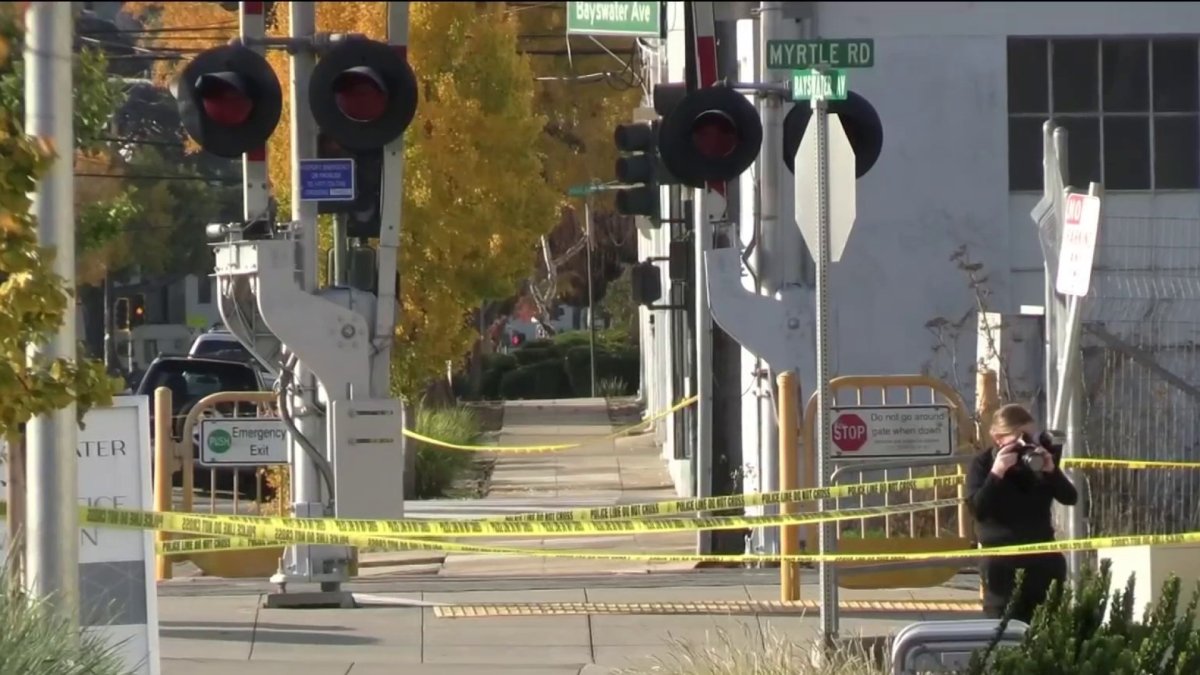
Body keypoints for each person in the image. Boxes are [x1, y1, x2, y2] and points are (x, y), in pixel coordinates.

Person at [966, 403, 1079, 623]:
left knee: (1047, 631)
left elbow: (1070, 497)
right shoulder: (982, 464)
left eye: (1031, 436)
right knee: (1002, 632)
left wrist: (1051, 471)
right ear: (999, 439)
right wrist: (997, 473)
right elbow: (978, 509)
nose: (1027, 444)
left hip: (1042, 562)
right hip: (1001, 567)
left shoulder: (1036, 462)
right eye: (1020, 437)